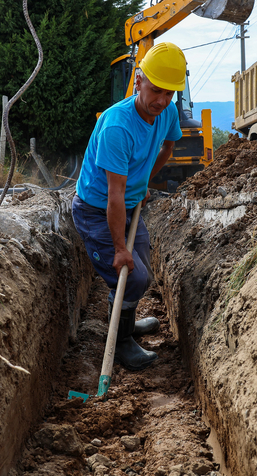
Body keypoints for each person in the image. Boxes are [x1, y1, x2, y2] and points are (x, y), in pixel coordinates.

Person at [71, 42, 186, 371]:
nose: (161, 101)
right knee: (128, 273)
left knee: (143, 264)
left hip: (128, 200)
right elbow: (114, 195)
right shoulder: (117, 127)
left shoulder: (167, 112)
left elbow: (168, 146)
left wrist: (144, 181)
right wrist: (119, 247)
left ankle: (127, 321)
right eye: (156, 90)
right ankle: (120, 343)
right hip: (96, 209)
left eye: (169, 94)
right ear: (138, 81)